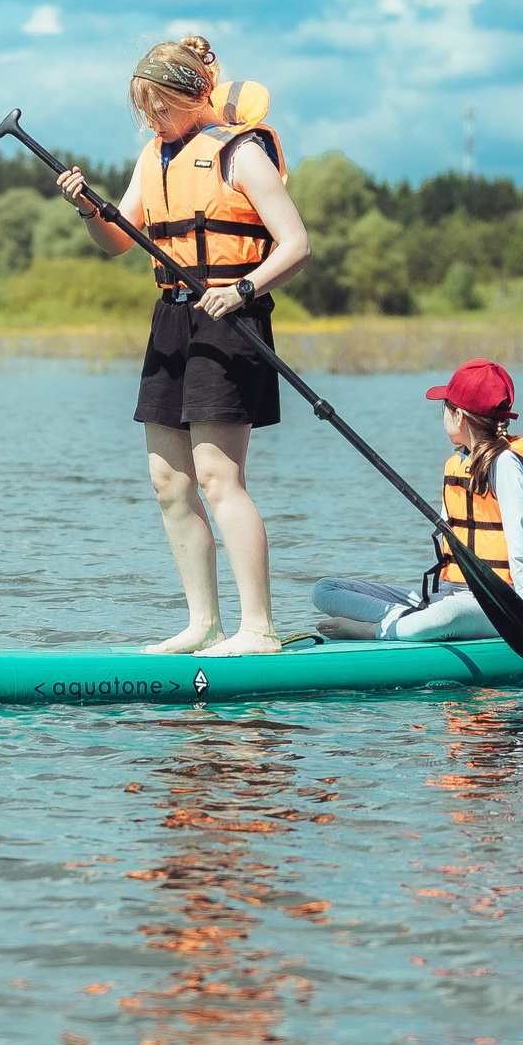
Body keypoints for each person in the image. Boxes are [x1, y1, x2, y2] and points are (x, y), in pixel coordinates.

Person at [54, 37, 310, 657]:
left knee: (221, 478)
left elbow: (296, 245)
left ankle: (258, 630)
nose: (152, 119)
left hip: (232, 321)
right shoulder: (154, 156)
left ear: (195, 96)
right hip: (171, 321)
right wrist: (91, 210)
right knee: (169, 480)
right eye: (145, 109)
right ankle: (204, 624)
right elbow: (118, 241)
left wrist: (243, 289)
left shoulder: (239, 154)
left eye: (161, 107)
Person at [310, 359, 523, 644]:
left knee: (447, 615)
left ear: (460, 416)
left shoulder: (506, 465)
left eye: (445, 408)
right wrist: (433, 599)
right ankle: (409, 621)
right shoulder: (457, 461)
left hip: (494, 604)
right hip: (445, 596)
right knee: (325, 591)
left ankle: (375, 630)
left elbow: (519, 548)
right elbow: (444, 544)